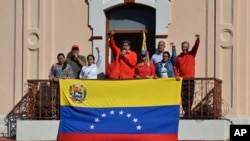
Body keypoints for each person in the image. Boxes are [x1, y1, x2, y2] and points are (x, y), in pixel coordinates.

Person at [174, 34, 200, 118]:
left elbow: (196, 47)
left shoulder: (192, 54)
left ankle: (188, 112)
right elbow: (175, 67)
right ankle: (186, 111)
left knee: (190, 95)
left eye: (186, 47)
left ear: (188, 47)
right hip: (182, 79)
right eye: (183, 46)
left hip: (190, 79)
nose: (184, 48)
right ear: (181, 47)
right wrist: (176, 75)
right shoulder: (178, 57)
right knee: (183, 96)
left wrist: (197, 39)